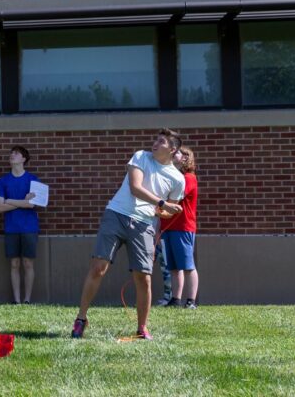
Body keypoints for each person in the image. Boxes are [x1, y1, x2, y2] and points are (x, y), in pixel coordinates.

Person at [71, 129, 186, 340]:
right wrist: (162, 203)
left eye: (161, 141)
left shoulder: (178, 179)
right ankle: (80, 319)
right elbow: (135, 187)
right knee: (99, 268)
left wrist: (166, 211)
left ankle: (142, 328)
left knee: (143, 278)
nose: (155, 143)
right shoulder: (141, 156)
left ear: (172, 149)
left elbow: (166, 211)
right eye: (155, 139)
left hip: (144, 225)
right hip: (117, 214)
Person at [0, 146, 42, 305]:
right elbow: (1, 207)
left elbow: (33, 205)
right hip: (11, 228)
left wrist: (10, 201)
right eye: (11, 153)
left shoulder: (33, 180)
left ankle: (27, 299)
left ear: (24, 159)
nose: (12, 155)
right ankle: (17, 300)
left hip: (29, 228)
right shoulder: (3, 181)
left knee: (28, 263)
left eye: (16, 153)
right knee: (14, 264)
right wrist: (23, 202)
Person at [162, 146, 199, 309]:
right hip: (167, 226)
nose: (173, 154)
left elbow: (177, 194)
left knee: (187, 265)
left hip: (183, 227)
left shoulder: (188, 177)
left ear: (185, 158)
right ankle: (175, 299)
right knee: (174, 267)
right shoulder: (172, 176)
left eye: (177, 152)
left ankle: (191, 300)